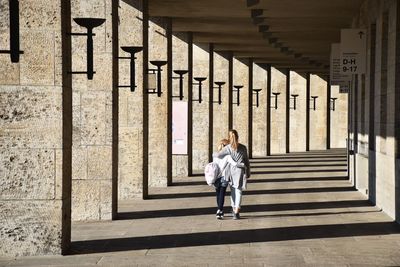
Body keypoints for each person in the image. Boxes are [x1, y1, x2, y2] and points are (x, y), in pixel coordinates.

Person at [213, 130, 250, 220]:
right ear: (237, 137)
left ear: (229, 138)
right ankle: (236, 210)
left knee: (233, 191)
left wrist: (216, 151)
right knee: (238, 191)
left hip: (230, 172)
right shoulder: (243, 148)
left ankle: (234, 208)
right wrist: (248, 171)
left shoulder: (228, 148)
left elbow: (217, 155)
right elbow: (246, 161)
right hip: (240, 171)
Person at [212, 139, 242, 219]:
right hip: (224, 176)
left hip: (215, 177)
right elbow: (235, 164)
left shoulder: (215, 155)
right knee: (222, 194)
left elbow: (213, 166)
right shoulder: (228, 156)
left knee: (218, 194)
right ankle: (220, 210)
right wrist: (243, 165)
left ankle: (219, 209)